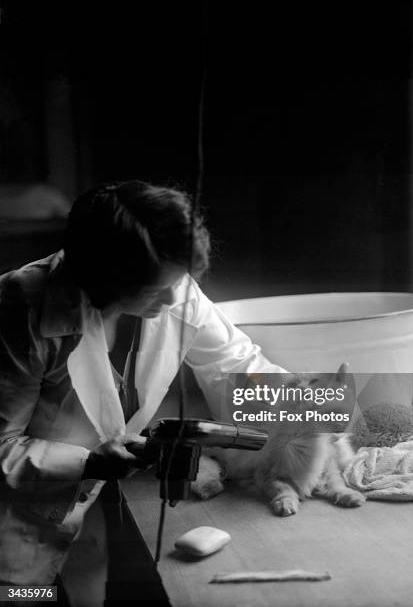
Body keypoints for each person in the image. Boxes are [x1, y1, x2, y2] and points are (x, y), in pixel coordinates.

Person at [0, 181, 286, 606]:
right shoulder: (20, 308)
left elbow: (238, 367)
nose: (174, 297)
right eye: (154, 288)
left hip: (78, 510)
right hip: (11, 523)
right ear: (101, 276)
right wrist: (92, 460)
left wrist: (322, 407)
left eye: (180, 279)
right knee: (25, 597)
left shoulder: (173, 286)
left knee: (83, 595)